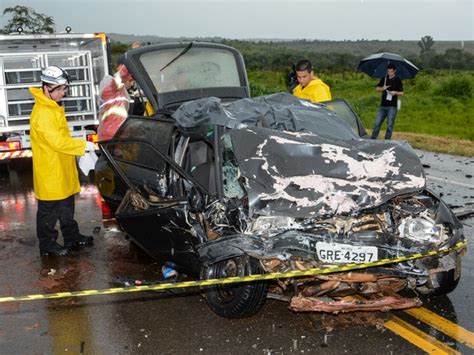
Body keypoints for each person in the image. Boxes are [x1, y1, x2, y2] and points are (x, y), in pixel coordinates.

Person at [29, 65, 95, 256]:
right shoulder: (43, 113)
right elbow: (57, 142)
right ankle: (47, 245)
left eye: (64, 89)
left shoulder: (52, 107)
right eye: (58, 89)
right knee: (48, 211)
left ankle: (71, 237)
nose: (62, 93)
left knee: (66, 205)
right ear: (46, 88)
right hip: (51, 170)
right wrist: (82, 146)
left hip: (61, 166)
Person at [371, 63, 404, 140]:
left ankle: (387, 140)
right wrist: (383, 88)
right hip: (383, 105)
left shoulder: (398, 80)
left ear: (394, 71)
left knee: (389, 125)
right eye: (388, 71)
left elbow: (402, 93)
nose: (389, 73)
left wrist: (395, 92)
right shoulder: (384, 78)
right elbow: (377, 89)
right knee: (377, 123)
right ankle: (373, 138)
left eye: (391, 71)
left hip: (392, 106)